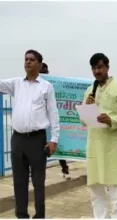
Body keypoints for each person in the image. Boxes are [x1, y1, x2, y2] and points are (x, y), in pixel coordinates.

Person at [0, 50, 60, 218]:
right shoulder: (16, 83)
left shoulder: (46, 87)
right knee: (19, 180)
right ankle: (21, 214)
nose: (27, 62)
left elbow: (53, 114)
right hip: (17, 139)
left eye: (32, 60)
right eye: (26, 59)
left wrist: (54, 139)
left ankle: (39, 215)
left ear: (39, 65)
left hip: (36, 139)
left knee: (38, 181)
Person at [82, 53, 117, 219]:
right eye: (94, 68)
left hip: (112, 146)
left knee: (116, 191)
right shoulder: (90, 90)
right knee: (96, 191)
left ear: (107, 67)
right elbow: (83, 121)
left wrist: (111, 120)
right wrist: (86, 107)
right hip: (94, 145)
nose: (97, 71)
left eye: (100, 67)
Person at [39, 62, 71, 180]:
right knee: (38, 150)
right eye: (42, 70)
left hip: (52, 121)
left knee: (57, 146)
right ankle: (36, 172)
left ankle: (65, 168)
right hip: (40, 124)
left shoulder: (51, 85)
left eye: (45, 71)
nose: (44, 73)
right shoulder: (34, 85)